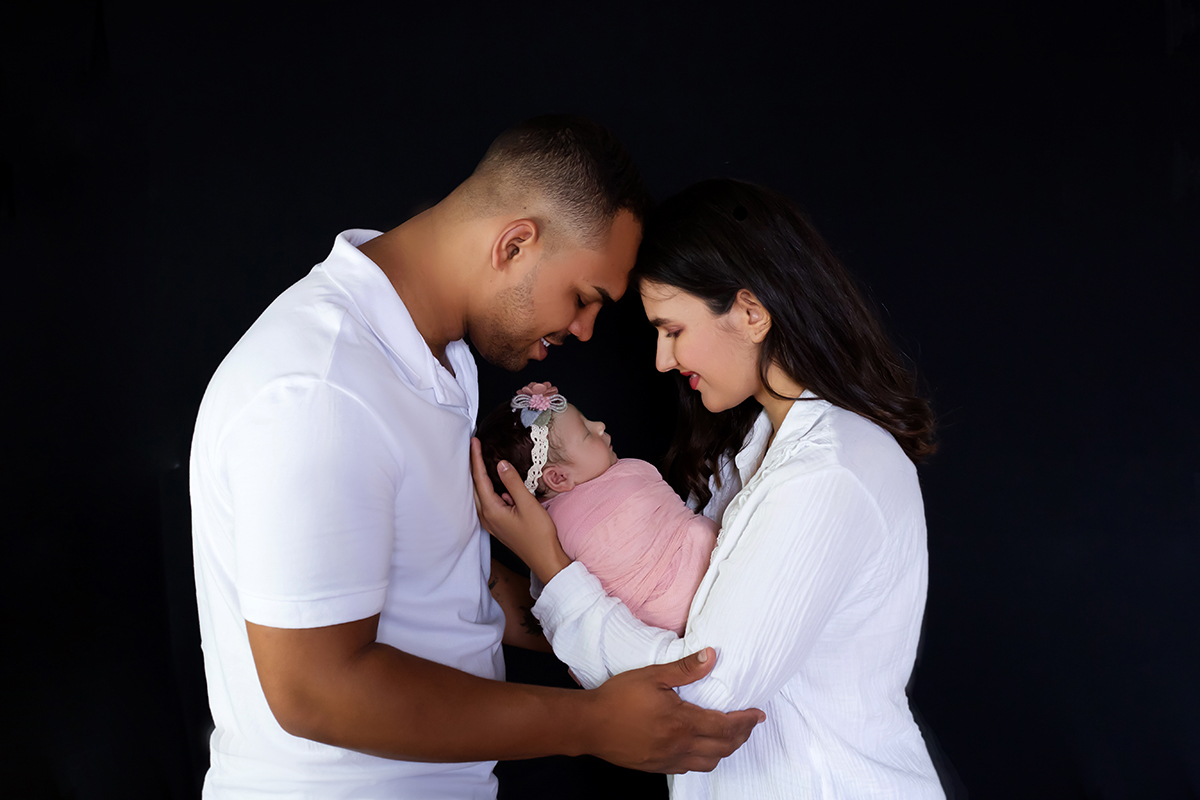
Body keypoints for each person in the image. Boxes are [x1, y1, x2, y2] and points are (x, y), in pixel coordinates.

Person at [189, 117, 762, 799]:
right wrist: (592, 724)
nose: (583, 330)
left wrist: (640, 636)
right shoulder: (321, 385)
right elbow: (317, 690)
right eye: (584, 299)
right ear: (515, 244)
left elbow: (457, 593)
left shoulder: (441, 363)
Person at [472, 178, 946, 798]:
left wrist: (554, 570)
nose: (664, 360)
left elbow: (697, 692)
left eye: (673, 329)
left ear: (751, 313)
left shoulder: (829, 472)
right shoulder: (748, 456)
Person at [476, 382, 717, 636]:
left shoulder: (545, 535)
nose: (599, 426)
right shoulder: (628, 474)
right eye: (587, 432)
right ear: (557, 478)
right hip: (700, 575)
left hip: (657, 627)